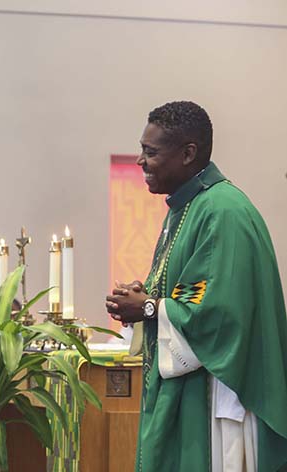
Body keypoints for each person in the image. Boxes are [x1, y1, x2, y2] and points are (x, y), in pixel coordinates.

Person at [105, 101, 287, 471]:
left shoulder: (224, 211)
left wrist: (150, 307)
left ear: (188, 153)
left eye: (150, 151)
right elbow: (194, 290)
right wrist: (146, 297)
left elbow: (221, 313)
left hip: (217, 397)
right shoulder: (187, 208)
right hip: (193, 384)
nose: (141, 161)